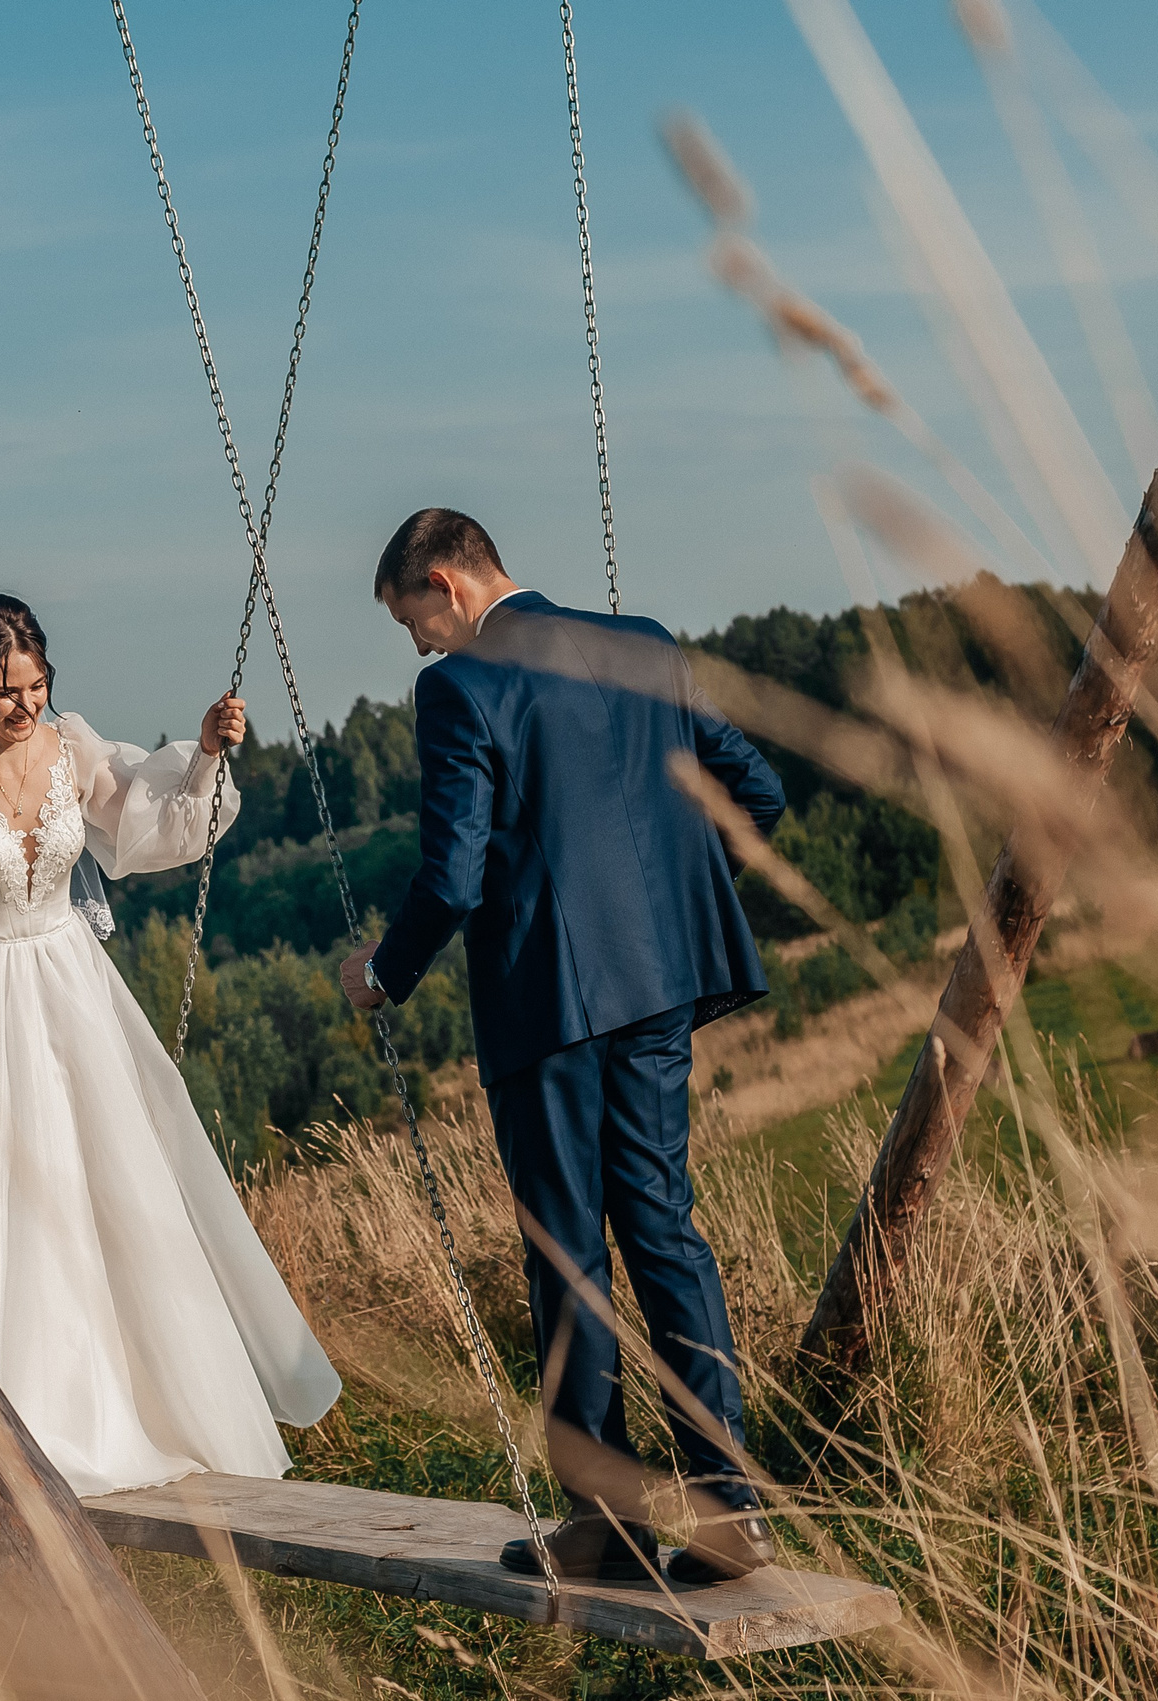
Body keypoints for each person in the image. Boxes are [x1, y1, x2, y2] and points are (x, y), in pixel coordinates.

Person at [337, 509, 786, 1585]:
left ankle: (604, 1525)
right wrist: (671, 907)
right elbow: (756, 793)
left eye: (415, 625)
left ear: (444, 583)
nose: (421, 650)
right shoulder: (641, 646)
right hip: (661, 988)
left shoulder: (460, 689)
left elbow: (452, 875)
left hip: (549, 1007)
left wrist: (384, 973)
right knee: (664, 1230)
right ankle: (731, 1516)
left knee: (569, 1258)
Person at [0, 593, 340, 1501]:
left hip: (69, 980)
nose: (22, 706)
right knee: (2, 1198)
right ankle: (15, 1429)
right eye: (2, 691)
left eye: (33, 685)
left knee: (113, 1178)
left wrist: (208, 755)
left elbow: (146, 823)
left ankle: (153, 1409)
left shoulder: (70, 743)